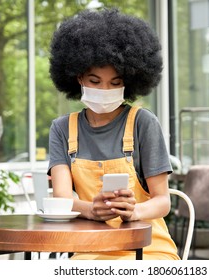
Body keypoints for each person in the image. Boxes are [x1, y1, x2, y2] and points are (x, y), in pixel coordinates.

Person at [48, 8, 179, 260]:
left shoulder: (143, 122)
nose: (105, 89)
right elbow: (62, 199)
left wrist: (135, 210)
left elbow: (163, 202)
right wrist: (90, 210)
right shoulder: (62, 129)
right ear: (78, 78)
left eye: (115, 82)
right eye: (95, 82)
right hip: (91, 248)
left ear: (128, 81)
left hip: (149, 247)